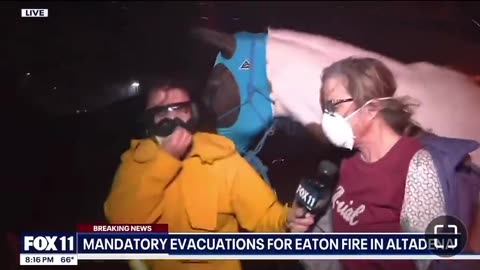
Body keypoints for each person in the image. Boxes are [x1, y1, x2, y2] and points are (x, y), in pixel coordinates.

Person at [103, 77, 314, 270]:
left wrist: (288, 219)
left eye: (180, 109)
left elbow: (264, 214)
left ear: (192, 113)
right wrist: (165, 160)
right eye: (162, 112)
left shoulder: (221, 157)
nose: (172, 119)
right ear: (150, 120)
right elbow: (122, 227)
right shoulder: (136, 162)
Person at [319, 57, 447, 270]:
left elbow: (430, 260)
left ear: (372, 108)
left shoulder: (417, 165)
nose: (327, 118)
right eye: (325, 108)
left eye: (334, 106)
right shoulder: (348, 165)